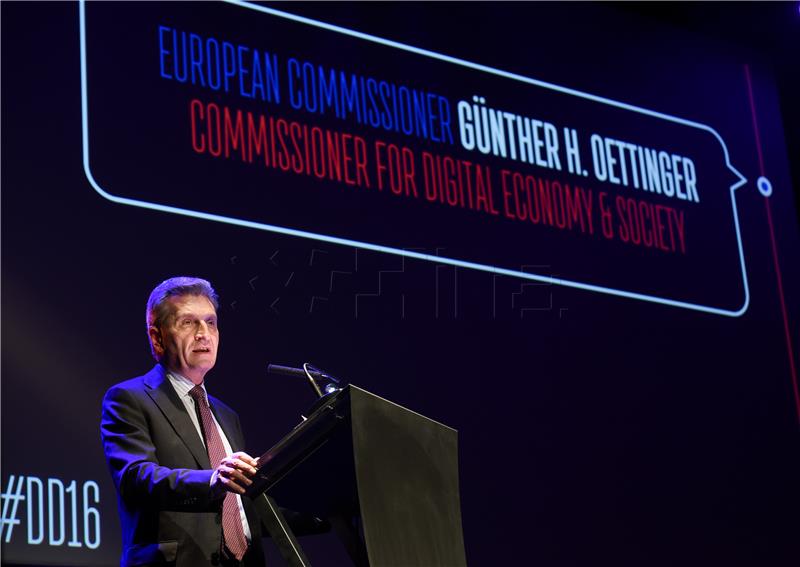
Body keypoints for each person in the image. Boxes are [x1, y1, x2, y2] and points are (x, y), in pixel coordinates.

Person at [101, 276, 266, 567]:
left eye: (211, 322)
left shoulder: (227, 415)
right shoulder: (129, 399)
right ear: (157, 337)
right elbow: (136, 478)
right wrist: (212, 481)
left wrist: (327, 510)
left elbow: (244, 504)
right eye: (188, 323)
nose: (204, 333)